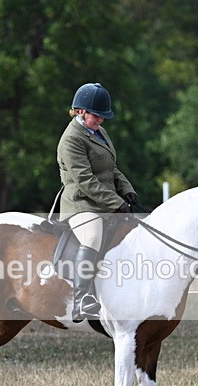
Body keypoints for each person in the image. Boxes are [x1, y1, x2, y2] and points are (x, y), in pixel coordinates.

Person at [57, 82, 138, 322]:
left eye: (104, 117)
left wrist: (127, 190)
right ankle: (81, 299)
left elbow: (111, 169)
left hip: (105, 201)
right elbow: (85, 181)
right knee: (92, 236)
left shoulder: (98, 132)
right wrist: (115, 203)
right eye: (97, 116)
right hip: (81, 203)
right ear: (80, 111)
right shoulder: (71, 140)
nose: (102, 120)